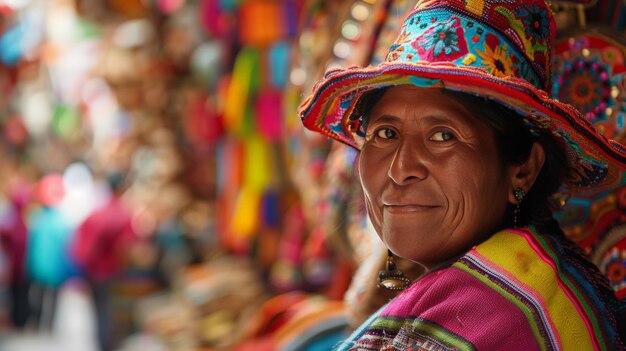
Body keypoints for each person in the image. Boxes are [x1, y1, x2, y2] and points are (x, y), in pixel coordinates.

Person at [298, 0, 626, 349]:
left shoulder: (500, 324)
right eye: (385, 134)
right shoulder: (519, 286)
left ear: (524, 169)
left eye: (442, 136)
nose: (400, 169)